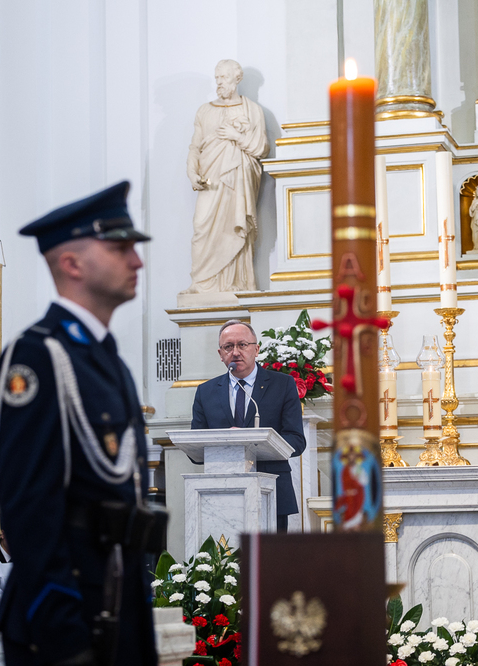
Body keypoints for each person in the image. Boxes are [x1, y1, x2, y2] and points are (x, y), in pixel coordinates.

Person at [0, 181, 159, 666]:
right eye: (120, 247)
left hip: (118, 604)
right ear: (72, 264)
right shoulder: (37, 357)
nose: (137, 261)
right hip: (66, 622)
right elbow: (29, 508)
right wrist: (65, 637)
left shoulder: (109, 362)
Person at [190, 319, 306, 532]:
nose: (235, 352)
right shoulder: (205, 392)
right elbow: (195, 446)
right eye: (228, 347)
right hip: (220, 493)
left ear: (256, 349)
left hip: (271, 491)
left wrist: (255, 440)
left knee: (271, 563)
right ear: (220, 354)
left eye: (242, 345)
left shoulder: (283, 385)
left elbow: (296, 441)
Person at [183, 59, 269, 294]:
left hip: (238, 182)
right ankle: (201, 283)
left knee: (234, 226)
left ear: (236, 79)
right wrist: (191, 172)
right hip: (211, 180)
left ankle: (236, 284)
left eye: (223, 77)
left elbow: (262, 148)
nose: (218, 82)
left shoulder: (251, 110)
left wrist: (236, 136)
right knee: (201, 226)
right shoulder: (205, 110)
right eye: (217, 77)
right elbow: (195, 147)